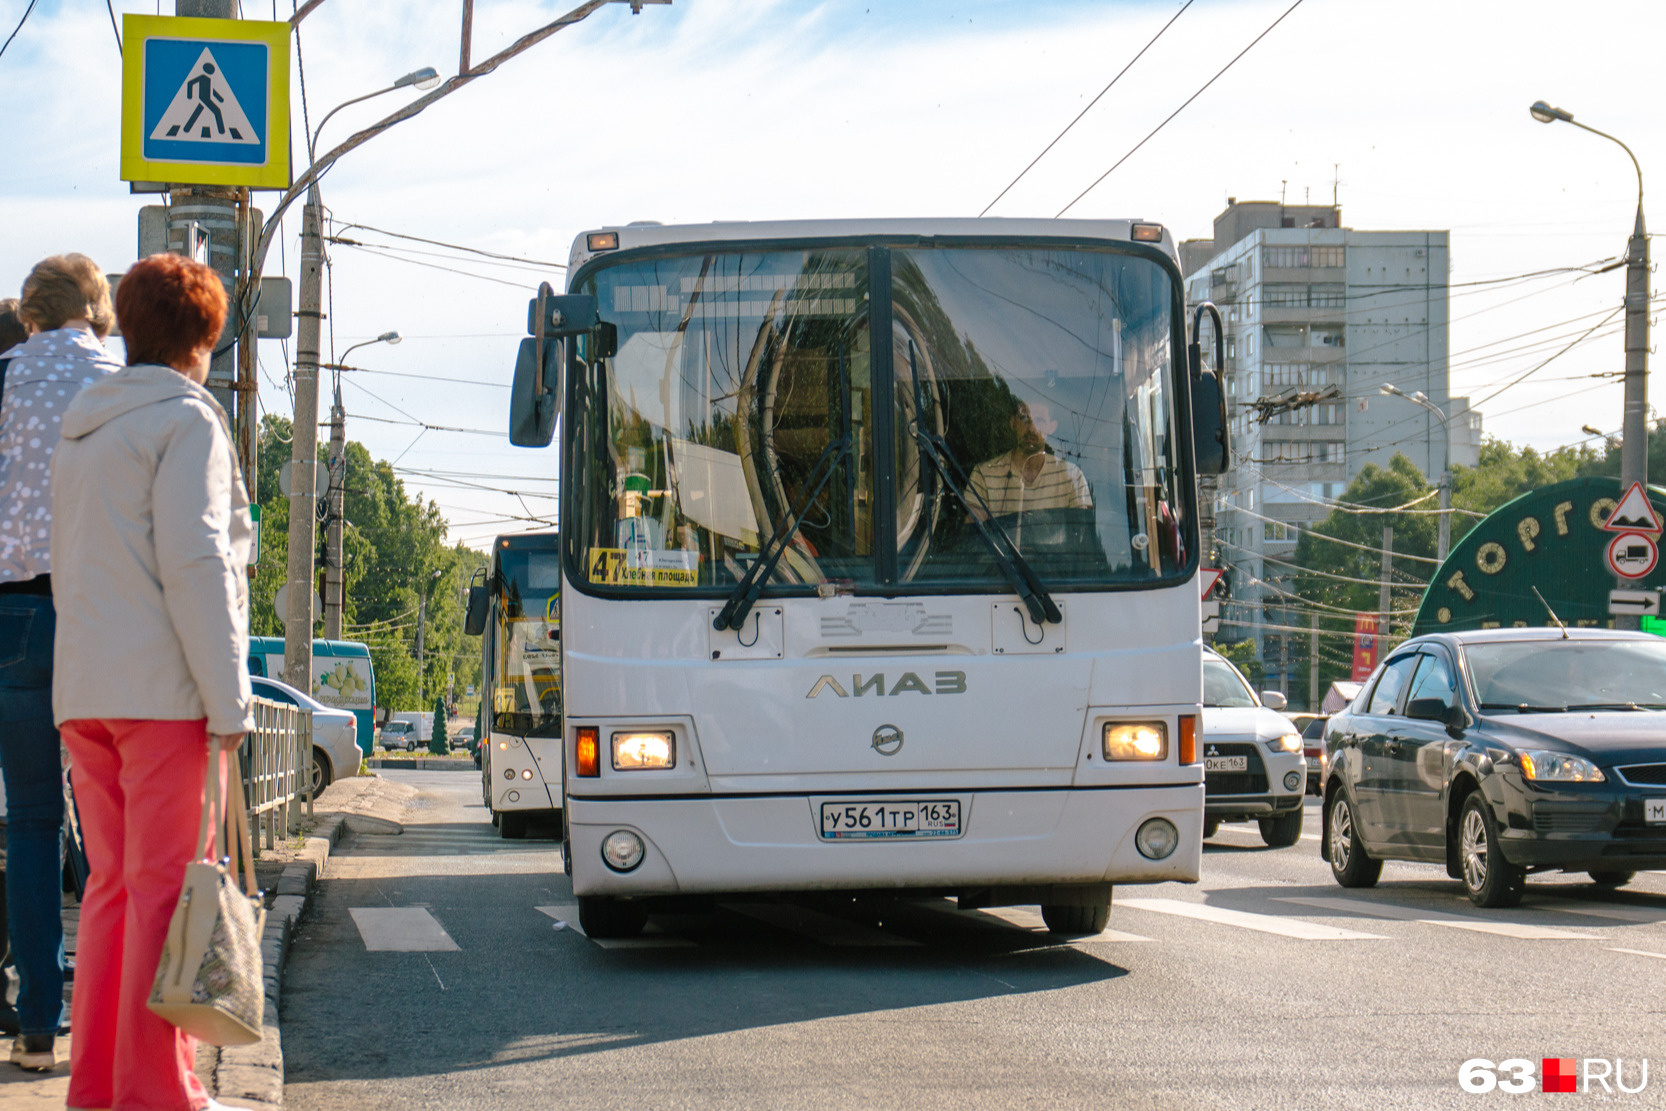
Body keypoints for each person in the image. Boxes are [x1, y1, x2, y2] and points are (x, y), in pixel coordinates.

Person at [52, 253, 253, 1111]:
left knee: (107, 890)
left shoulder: (83, 426)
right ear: (202, 341)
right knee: (162, 891)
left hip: (84, 690)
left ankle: (95, 1085)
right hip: (161, 695)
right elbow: (197, 561)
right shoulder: (187, 421)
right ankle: (154, 1090)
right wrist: (231, 694)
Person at [0, 256, 121, 1072]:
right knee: (113, 823)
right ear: (98, 308)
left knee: (32, 820)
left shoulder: (5, 375)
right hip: (103, 614)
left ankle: (38, 1016)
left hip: (12, 611)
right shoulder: (121, 378)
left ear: (33, 311)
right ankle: (118, 1023)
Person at [967, 398, 1092, 518]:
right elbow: (972, 533)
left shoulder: (1072, 477)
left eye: (1040, 421)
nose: (1032, 428)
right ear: (1013, 423)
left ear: (1052, 427)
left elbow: (1082, 533)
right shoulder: (984, 475)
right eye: (1024, 419)